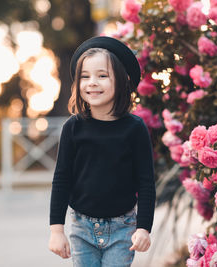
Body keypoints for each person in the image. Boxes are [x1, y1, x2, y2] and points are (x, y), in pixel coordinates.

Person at [48, 36, 156, 267]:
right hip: (81, 228)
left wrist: (144, 228)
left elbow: (146, 182)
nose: (92, 82)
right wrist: (56, 230)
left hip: (122, 229)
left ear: (122, 81)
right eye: (85, 76)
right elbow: (62, 179)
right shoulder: (72, 128)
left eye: (102, 75)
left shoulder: (135, 129)